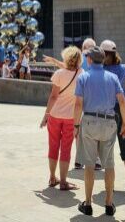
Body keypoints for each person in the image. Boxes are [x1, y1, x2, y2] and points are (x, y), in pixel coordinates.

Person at [73, 45, 125, 217]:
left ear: (89, 59)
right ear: (103, 59)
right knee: (109, 164)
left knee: (89, 164)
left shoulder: (84, 77)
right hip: (109, 123)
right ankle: (109, 204)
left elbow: (78, 104)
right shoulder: (112, 77)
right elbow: (122, 101)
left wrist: (76, 125)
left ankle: (88, 204)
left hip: (89, 121)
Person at [40, 45, 82, 190]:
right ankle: (63, 181)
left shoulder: (58, 74)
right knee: (66, 149)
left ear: (66, 57)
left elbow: (53, 97)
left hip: (55, 115)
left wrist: (46, 115)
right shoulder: (81, 74)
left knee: (53, 146)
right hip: (71, 118)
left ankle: (52, 178)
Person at [101, 40, 125, 193]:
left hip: (108, 109)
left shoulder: (101, 69)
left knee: (107, 146)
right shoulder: (123, 68)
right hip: (123, 108)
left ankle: (111, 184)